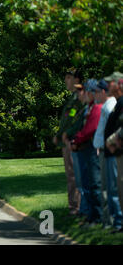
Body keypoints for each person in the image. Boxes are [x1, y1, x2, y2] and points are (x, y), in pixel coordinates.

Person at [70, 79, 103, 227]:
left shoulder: (95, 107)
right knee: (87, 182)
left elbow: (89, 128)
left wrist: (76, 139)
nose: (82, 94)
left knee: (94, 184)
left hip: (89, 147)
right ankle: (91, 215)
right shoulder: (86, 107)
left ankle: (96, 217)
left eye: (85, 91)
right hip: (83, 147)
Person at [92, 79, 121, 230]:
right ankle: (108, 220)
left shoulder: (109, 106)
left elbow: (110, 129)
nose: (94, 94)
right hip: (103, 149)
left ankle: (112, 221)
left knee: (110, 187)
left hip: (108, 150)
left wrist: (105, 145)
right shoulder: (106, 106)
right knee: (106, 186)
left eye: (97, 91)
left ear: (103, 92)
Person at [54, 69, 83, 216]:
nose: (66, 80)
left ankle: (77, 207)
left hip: (73, 141)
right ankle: (73, 206)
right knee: (70, 175)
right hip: (66, 140)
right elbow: (67, 119)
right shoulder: (72, 98)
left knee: (74, 175)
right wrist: (59, 135)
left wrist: (66, 134)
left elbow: (76, 120)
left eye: (69, 77)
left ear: (77, 80)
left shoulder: (79, 98)